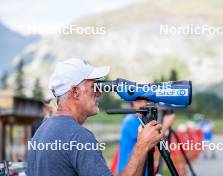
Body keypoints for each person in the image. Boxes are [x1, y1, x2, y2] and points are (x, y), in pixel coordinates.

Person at [27, 58, 163, 176]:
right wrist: (142, 146)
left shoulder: (41, 132)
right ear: (75, 92)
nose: (99, 93)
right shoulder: (78, 137)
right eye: (94, 86)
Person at [117, 101, 176, 174]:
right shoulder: (131, 121)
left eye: (147, 101)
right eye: (140, 101)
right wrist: (165, 125)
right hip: (130, 170)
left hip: (141, 169)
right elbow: (149, 138)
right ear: (133, 103)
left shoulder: (140, 120)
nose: (144, 104)